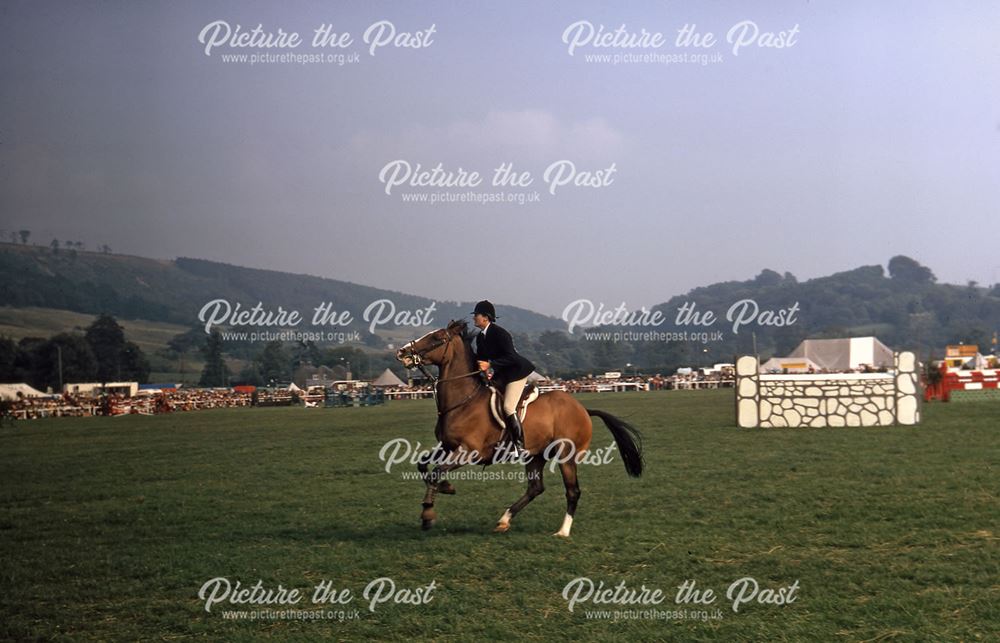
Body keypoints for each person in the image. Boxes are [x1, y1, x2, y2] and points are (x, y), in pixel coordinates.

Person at [471, 300, 535, 457]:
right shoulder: (480, 337)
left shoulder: (500, 333)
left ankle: (519, 446)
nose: (474, 318)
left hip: (516, 372)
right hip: (502, 373)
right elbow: (481, 360)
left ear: (485, 318)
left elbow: (511, 357)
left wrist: (490, 364)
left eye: (476, 315)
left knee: (508, 407)